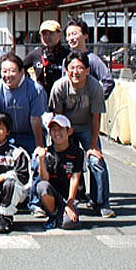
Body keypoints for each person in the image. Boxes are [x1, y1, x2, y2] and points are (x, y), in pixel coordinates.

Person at [48, 50, 114, 218]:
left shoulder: (95, 87)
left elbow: (96, 117)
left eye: (80, 68)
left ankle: (101, 203)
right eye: (71, 68)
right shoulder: (59, 86)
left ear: (87, 70)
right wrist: (61, 141)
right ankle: (65, 198)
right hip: (65, 128)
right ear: (66, 70)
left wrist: (93, 146)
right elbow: (58, 119)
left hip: (87, 127)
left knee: (96, 161)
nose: (75, 72)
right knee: (62, 161)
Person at [0, 52, 47, 153]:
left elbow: (35, 120)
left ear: (22, 72)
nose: (8, 75)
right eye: (4, 71)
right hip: (6, 136)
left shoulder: (35, 90)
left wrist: (39, 147)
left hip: (30, 135)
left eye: (12, 71)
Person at [35, 114, 83, 230]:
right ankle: (53, 215)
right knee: (42, 186)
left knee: (68, 224)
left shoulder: (77, 152)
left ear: (69, 131)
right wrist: (41, 160)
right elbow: (44, 179)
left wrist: (69, 204)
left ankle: (63, 214)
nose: (57, 133)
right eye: (53, 130)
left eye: (61, 129)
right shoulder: (47, 152)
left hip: (69, 196)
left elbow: (75, 178)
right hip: (53, 195)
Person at [64, 18, 115, 99]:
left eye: (74, 34)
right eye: (68, 35)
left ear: (85, 35)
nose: (71, 38)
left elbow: (108, 81)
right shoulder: (66, 60)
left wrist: (96, 99)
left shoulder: (93, 59)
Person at [24, 19, 71, 95]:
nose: (47, 37)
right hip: (40, 96)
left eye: (51, 33)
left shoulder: (67, 54)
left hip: (61, 96)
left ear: (59, 35)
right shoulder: (36, 53)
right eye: (44, 34)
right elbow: (20, 68)